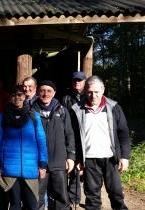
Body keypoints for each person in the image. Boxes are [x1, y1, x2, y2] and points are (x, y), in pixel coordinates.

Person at [71, 75, 130, 210]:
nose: (93, 95)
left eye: (96, 92)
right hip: (89, 160)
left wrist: (124, 156)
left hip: (110, 158)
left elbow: (124, 134)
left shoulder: (114, 107)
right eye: (90, 92)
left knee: (116, 194)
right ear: (85, 91)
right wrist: (77, 159)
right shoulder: (77, 110)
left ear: (103, 90)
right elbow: (73, 136)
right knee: (92, 197)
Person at [0, 85, 48, 210]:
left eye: (19, 95)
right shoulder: (2, 117)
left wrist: (43, 165)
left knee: (32, 205)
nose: (17, 98)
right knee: (14, 205)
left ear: (24, 96)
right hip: (9, 168)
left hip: (30, 168)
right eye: (13, 95)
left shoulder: (34, 117)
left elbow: (41, 142)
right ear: (10, 98)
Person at [31, 80, 75, 210]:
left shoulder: (62, 111)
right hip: (38, 164)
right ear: (38, 92)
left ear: (54, 93)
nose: (46, 94)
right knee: (37, 198)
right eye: (43, 91)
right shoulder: (31, 112)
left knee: (61, 197)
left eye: (49, 91)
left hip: (59, 162)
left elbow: (70, 135)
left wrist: (71, 157)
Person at [61, 71, 86, 208]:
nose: (77, 82)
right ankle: (63, 196)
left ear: (84, 82)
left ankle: (74, 199)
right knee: (66, 167)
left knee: (78, 169)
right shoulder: (65, 97)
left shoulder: (88, 97)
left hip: (82, 138)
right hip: (68, 136)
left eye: (80, 80)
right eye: (75, 80)